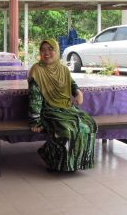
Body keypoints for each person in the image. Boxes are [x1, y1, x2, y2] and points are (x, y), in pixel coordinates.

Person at [29, 39, 97, 172]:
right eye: (43, 50)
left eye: (50, 49)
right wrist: (35, 121)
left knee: (89, 124)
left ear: (56, 51)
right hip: (48, 110)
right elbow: (34, 98)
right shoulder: (36, 70)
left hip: (67, 108)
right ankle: (56, 161)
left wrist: (78, 93)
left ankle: (77, 162)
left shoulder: (64, 69)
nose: (46, 53)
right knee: (67, 129)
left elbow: (72, 84)